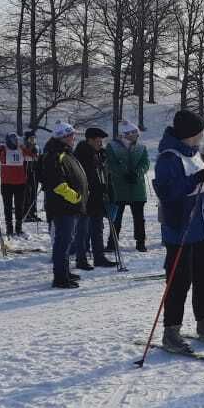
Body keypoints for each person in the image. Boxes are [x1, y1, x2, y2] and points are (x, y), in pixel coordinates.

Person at [152, 109, 204, 352]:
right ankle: (171, 331)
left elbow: (201, 184)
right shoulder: (169, 157)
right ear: (189, 134)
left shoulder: (194, 153)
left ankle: (203, 323)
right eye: (200, 131)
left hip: (201, 226)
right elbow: (167, 192)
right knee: (179, 281)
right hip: (180, 229)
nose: (203, 134)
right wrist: (198, 179)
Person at [40, 123, 87, 288]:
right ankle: (60, 277)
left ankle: (65, 271)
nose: (74, 138)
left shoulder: (65, 153)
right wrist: (75, 198)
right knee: (63, 242)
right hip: (63, 207)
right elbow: (58, 184)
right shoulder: (55, 155)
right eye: (71, 135)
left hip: (70, 207)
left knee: (67, 241)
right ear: (64, 137)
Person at [72, 127, 118, 269]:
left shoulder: (98, 153)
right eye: (98, 140)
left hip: (97, 196)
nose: (100, 143)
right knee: (83, 229)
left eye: (101, 141)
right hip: (86, 196)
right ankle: (81, 259)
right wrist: (97, 186)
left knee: (97, 228)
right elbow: (86, 176)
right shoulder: (82, 153)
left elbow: (103, 172)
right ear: (90, 140)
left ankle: (99, 257)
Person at [106, 123, 150, 252]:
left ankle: (140, 242)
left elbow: (145, 163)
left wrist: (137, 173)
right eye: (131, 133)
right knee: (116, 218)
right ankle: (112, 242)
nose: (134, 136)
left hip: (137, 189)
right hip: (119, 188)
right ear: (126, 134)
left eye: (135, 133)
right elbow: (111, 163)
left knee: (139, 219)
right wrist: (124, 173)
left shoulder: (141, 147)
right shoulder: (112, 147)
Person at [0, 133, 28, 236]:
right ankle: (9, 229)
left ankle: (18, 228)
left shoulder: (21, 148)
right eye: (13, 140)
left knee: (19, 207)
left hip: (20, 183)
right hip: (7, 183)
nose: (15, 142)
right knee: (7, 207)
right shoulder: (4, 149)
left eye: (16, 140)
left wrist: (33, 150)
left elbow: (32, 155)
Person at [22, 131, 43, 222]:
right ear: (26, 140)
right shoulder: (24, 148)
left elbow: (39, 160)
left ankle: (32, 212)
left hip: (34, 172)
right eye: (31, 139)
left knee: (34, 193)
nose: (33, 141)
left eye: (34, 139)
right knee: (27, 193)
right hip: (26, 172)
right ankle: (26, 213)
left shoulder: (37, 148)